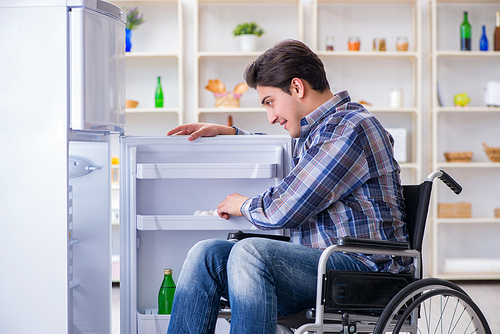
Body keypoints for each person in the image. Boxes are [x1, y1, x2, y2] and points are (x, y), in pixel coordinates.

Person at [165, 39, 412, 334]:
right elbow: (281, 150)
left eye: (270, 102)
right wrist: (228, 133)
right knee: (205, 255)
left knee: (251, 252)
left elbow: (287, 208)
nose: (270, 117)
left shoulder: (350, 127)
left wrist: (242, 204)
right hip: (324, 269)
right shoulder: (316, 133)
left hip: (366, 272)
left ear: (297, 88)